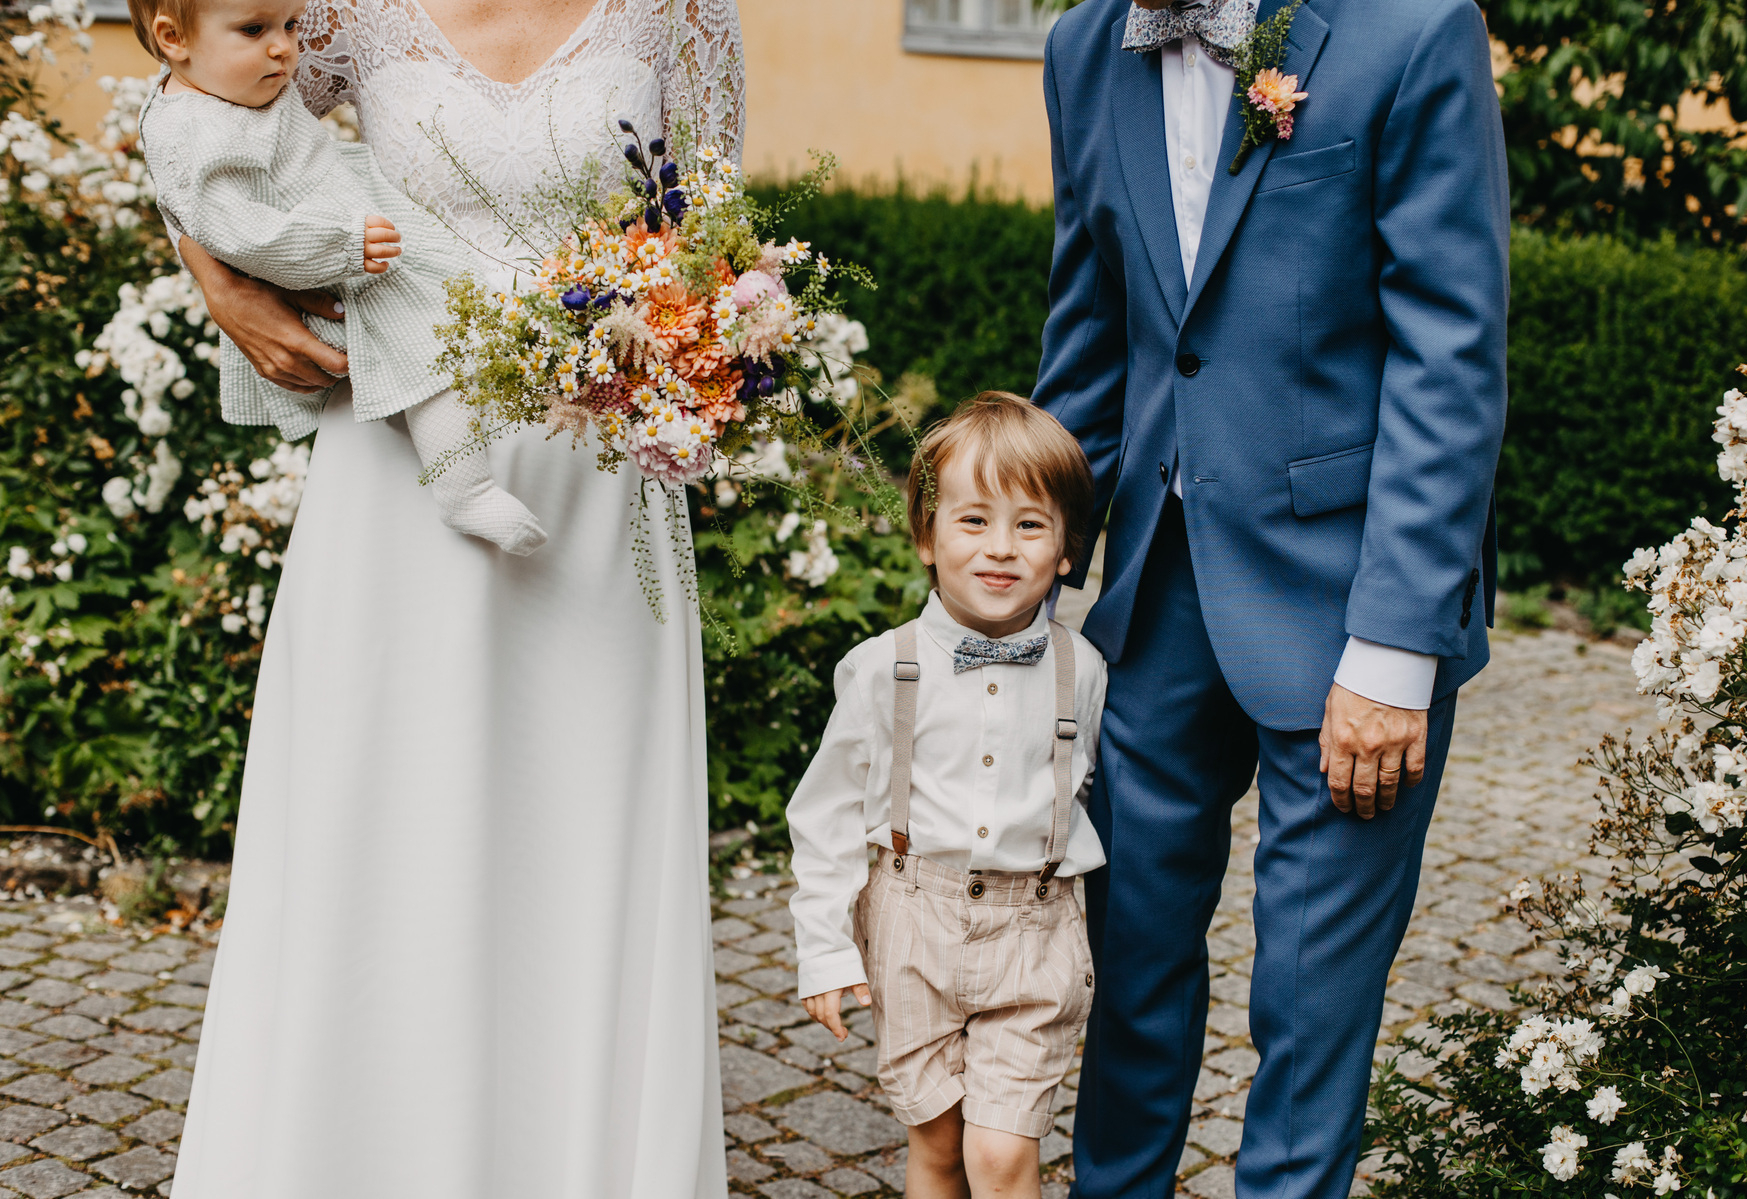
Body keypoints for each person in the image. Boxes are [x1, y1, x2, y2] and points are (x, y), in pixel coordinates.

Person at [151, 0, 745, 1194]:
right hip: (395, 466)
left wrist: (709, 349)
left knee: (579, 832)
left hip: (598, 481)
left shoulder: (684, 10)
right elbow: (204, 124)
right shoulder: (338, 9)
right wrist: (220, 284)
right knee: (390, 808)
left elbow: (711, 232)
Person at [1032, 0, 1510, 1196]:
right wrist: (1011, 610)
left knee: (1306, 1023)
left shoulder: (1412, 32)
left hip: (1347, 611)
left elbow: (1448, 354)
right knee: (1123, 977)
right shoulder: (1083, 48)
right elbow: (1089, 332)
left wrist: (1395, 647)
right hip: (1150, 601)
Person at [787, 394, 1107, 1199]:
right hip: (910, 924)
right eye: (972, 521)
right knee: (936, 1148)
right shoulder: (878, 666)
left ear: (1066, 549)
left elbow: (1081, 782)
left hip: (1033, 930)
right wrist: (824, 948)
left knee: (999, 1154)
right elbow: (823, 815)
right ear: (927, 538)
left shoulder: (1086, 670)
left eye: (1030, 525)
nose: (1000, 548)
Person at [135, 0, 547, 555]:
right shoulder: (191, 131)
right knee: (426, 350)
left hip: (354, 240)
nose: (283, 48)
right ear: (172, 38)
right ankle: (464, 488)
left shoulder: (227, 78)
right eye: (255, 29)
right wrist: (341, 246)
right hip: (327, 275)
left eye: (291, 25)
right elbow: (240, 234)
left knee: (447, 305)